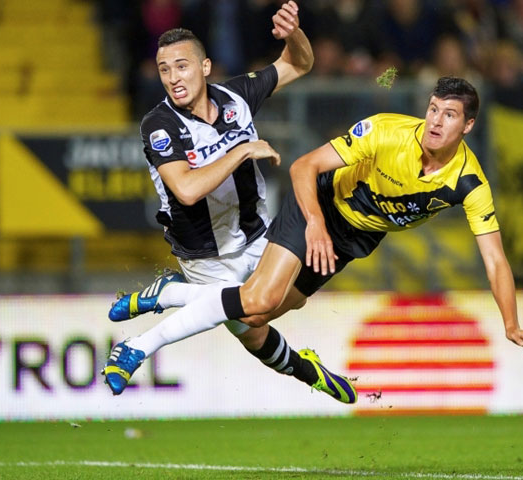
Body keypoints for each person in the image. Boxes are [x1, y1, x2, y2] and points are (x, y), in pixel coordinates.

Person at [104, 76, 523, 397]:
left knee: (254, 318)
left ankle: (172, 293)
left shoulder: (469, 183)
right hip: (316, 206)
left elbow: (494, 260)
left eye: (449, 114)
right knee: (259, 300)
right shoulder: (386, 131)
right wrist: (315, 224)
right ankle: (140, 346)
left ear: (468, 125)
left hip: (351, 241)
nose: (435, 121)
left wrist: (511, 323)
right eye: (433, 109)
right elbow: (303, 166)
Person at [104, 2, 359, 403]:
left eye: (182, 66)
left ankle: (170, 296)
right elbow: (186, 190)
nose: (173, 77)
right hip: (206, 257)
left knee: (282, 304)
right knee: (254, 326)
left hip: (259, 237)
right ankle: (308, 372)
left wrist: (294, 33)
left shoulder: (237, 94)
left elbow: (299, 64)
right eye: (165, 69)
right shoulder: (159, 125)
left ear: (205, 67)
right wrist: (241, 151)